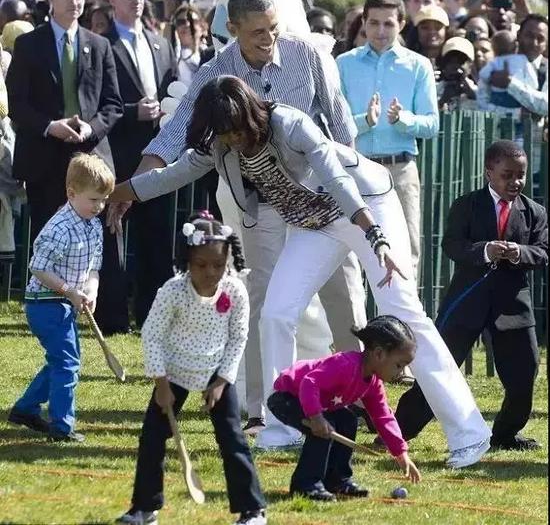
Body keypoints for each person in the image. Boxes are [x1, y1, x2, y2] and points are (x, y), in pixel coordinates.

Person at [109, 75, 492, 468]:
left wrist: (376, 238)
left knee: (403, 310)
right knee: (276, 312)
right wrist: (111, 194)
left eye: (237, 130)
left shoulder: (290, 124)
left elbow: (338, 179)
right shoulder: (220, 143)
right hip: (316, 223)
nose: (233, 140)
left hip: (365, 205)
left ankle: (469, 434)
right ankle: (282, 426)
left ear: (251, 113)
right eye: (224, 134)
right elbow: (169, 175)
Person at [109, 0, 367, 442]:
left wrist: (348, 186)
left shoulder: (308, 56)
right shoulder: (215, 73)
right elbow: (174, 141)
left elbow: (341, 123)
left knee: (342, 297)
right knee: (261, 303)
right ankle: (260, 408)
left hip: (319, 202)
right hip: (261, 206)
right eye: (257, 33)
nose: (268, 40)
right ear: (232, 30)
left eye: (273, 29)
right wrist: (130, 187)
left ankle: (360, 399)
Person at [394, 140, 547, 451]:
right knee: (439, 369)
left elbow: (543, 252)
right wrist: (485, 251)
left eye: (521, 175)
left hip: (512, 306)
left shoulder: (534, 212)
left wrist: (520, 252)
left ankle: (505, 434)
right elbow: (452, 245)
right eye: (507, 175)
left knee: (524, 373)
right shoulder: (467, 204)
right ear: (488, 172)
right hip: (466, 302)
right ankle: (397, 432)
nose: (515, 182)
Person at [116, 213, 267, 525]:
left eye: (218, 265)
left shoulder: (235, 291)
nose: (210, 272)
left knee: (232, 439)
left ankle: (252, 510)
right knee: (152, 439)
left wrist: (223, 380)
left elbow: (239, 337)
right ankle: (144, 508)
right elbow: (152, 336)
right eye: (201, 265)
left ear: (227, 262)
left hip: (215, 371)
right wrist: (161, 384)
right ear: (187, 260)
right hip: (172, 373)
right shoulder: (172, 292)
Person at [7, 154, 115, 442]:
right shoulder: (59, 227)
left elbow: (94, 266)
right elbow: (38, 268)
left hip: (65, 302)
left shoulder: (93, 225)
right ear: (71, 193)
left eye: (104, 200)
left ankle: (25, 409)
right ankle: (61, 427)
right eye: (94, 200)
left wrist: (91, 291)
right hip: (44, 305)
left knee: (62, 361)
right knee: (67, 364)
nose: (100, 206)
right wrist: (68, 290)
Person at [6, 0, 123, 243]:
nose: (75, 2)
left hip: (89, 161)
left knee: (88, 248)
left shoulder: (100, 45)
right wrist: (50, 126)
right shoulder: (28, 45)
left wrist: (90, 127)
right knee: (47, 244)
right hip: (44, 162)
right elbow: (17, 103)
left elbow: (113, 104)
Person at [337, 0, 439, 281]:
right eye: (373, 23)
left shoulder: (419, 65)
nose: (380, 31)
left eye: (388, 24)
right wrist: (365, 121)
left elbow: (432, 124)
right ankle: (360, 324)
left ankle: (403, 324)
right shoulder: (344, 63)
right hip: (358, 167)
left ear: (402, 24)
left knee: (406, 249)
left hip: (401, 169)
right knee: (351, 251)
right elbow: (334, 123)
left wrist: (402, 120)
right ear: (364, 24)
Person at [94, 0, 176, 334]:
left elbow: (172, 89)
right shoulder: (101, 44)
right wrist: (132, 111)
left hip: (157, 152)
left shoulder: (159, 43)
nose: (138, 2)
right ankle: (111, 317)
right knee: (112, 238)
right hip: (116, 152)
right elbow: (95, 101)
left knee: (155, 236)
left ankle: (151, 317)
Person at [267, 315, 421, 501]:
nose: (401, 372)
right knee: (324, 429)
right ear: (379, 354)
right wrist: (316, 418)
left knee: (347, 420)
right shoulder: (345, 365)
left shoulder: (373, 383)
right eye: (399, 365)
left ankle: (338, 480)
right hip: (286, 397)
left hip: (315, 403)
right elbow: (309, 382)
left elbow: (383, 417)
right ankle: (305, 485)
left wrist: (401, 453)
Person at [487, 14, 548, 117]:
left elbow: (546, 106)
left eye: (540, 38)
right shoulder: (501, 64)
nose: (534, 42)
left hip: (534, 132)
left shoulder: (546, 69)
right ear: (518, 35)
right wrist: (519, 112)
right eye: (529, 35)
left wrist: (511, 84)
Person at [437, 36, 477, 111]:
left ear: (470, 67)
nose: (455, 66)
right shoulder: (434, 90)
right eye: (450, 61)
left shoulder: (478, 92)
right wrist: (442, 101)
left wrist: (471, 94)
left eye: (461, 61)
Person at [408, 4, 449, 68]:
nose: (432, 32)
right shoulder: (407, 61)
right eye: (425, 27)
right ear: (416, 31)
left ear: (446, 30)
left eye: (438, 27)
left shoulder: (455, 62)